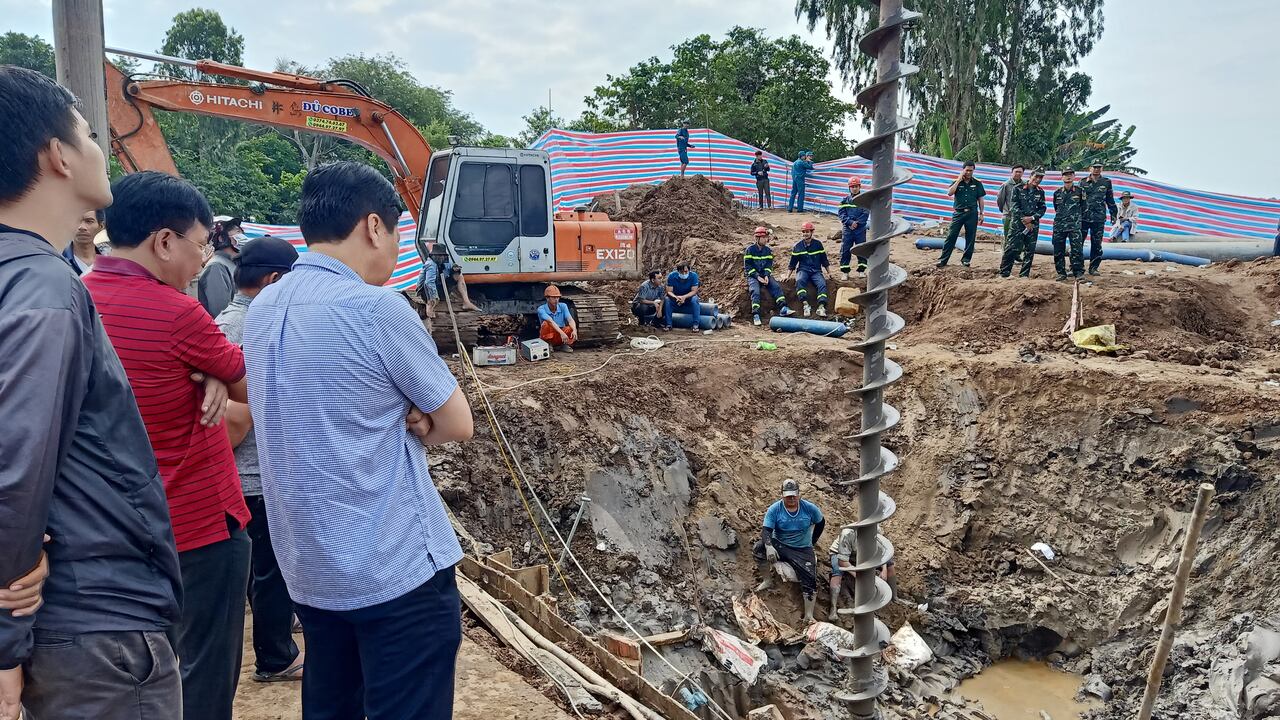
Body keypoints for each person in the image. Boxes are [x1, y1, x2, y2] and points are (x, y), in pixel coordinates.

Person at [244, 161, 475, 720]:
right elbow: (456, 423)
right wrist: (419, 418)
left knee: (333, 702)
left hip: (313, 570)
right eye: (398, 233)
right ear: (375, 226)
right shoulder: (375, 308)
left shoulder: (264, 306)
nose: (398, 249)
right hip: (392, 569)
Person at [0, 64, 182, 720]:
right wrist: (4, 644)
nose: (101, 147)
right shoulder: (46, 294)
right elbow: (15, 469)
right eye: (88, 133)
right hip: (92, 634)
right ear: (57, 157)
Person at [84, 171, 252, 720]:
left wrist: (208, 373)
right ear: (164, 241)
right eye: (200, 245)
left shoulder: (76, 297)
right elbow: (252, 386)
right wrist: (216, 373)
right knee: (203, 672)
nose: (203, 260)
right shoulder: (179, 314)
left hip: (111, 535)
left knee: (140, 674)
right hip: (199, 529)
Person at [213, 236, 304, 684]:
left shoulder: (222, 322)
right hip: (259, 469)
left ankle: (281, 627)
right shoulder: (259, 327)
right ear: (273, 281)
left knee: (258, 564)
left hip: (234, 470)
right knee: (273, 566)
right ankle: (276, 656)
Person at [753, 480, 825, 623]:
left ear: (799, 495)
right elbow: (766, 531)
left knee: (809, 577)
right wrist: (769, 546)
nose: (791, 499)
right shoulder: (775, 509)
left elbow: (821, 522)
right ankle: (767, 580)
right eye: (788, 496)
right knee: (758, 548)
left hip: (802, 548)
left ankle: (809, 615)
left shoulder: (809, 508)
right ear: (782, 495)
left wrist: (813, 541)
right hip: (780, 543)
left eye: (794, 496)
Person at [827, 526, 896, 621]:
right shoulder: (847, 534)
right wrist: (858, 575)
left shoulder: (876, 531)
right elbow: (842, 561)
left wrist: (884, 570)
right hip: (841, 555)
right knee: (837, 573)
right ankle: (833, 608)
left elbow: (881, 552)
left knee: (890, 565)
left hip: (862, 555)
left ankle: (895, 597)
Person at [937, 160, 987, 268]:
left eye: (971, 170)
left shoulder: (977, 183)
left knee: (970, 237)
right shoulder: (956, 181)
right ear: (963, 170)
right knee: (951, 236)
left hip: (972, 213)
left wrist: (982, 213)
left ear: (974, 171)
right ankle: (943, 260)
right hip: (958, 213)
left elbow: (981, 199)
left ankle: (966, 260)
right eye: (967, 170)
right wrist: (959, 180)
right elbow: (950, 193)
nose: (969, 172)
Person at [999, 168, 1047, 278]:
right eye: (1036, 176)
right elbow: (1014, 206)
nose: (1038, 179)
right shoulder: (1018, 188)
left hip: (1033, 225)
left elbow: (1042, 208)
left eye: (1041, 177)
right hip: (1017, 224)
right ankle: (1004, 273)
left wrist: (1032, 218)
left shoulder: (1040, 192)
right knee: (1011, 248)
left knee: (1029, 250)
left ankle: (1024, 274)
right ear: (1031, 176)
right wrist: (1025, 220)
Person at [744, 226, 793, 326]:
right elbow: (748, 267)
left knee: (776, 287)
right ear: (758, 238)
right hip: (753, 276)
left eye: (767, 237)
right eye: (764, 237)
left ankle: (783, 308)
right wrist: (758, 277)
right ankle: (756, 314)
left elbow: (768, 265)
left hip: (764, 275)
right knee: (755, 291)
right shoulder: (750, 250)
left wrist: (766, 276)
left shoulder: (768, 251)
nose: (767, 239)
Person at [198, 215, 243, 317]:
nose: (242, 236)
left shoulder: (231, 264)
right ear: (222, 238)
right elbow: (221, 313)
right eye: (237, 232)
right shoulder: (216, 266)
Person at [784, 222, 831, 318]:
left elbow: (824, 260)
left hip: (816, 271)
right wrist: (787, 276)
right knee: (800, 280)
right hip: (803, 270)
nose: (805, 234)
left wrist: (829, 273)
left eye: (807, 231)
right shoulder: (798, 246)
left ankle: (821, 307)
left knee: (822, 284)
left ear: (812, 232)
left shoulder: (818, 245)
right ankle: (805, 305)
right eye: (804, 232)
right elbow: (792, 264)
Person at [1080, 162, 1118, 275]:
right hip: (1083, 217)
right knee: (1078, 243)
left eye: (1099, 167)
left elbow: (1110, 199)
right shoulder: (1082, 182)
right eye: (1094, 167)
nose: (1096, 169)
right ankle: (1076, 267)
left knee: (1096, 244)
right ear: (1089, 168)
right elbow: (1078, 200)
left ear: (1102, 168)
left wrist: (1113, 214)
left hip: (1099, 218)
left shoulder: (1106, 182)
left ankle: (1093, 268)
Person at [1051, 168, 1088, 281]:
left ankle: (1078, 273)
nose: (1068, 177)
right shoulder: (1057, 193)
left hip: (1074, 226)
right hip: (1059, 225)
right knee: (1058, 250)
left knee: (1077, 250)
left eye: (1070, 174)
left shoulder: (1080, 191)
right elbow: (1056, 207)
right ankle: (1061, 273)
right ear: (1062, 177)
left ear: (1074, 176)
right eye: (1065, 175)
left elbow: (1084, 207)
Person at [837, 177, 870, 279]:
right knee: (845, 250)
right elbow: (841, 214)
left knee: (861, 249)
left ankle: (861, 271)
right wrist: (850, 222)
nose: (854, 189)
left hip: (860, 229)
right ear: (849, 188)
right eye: (852, 187)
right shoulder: (845, 200)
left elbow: (866, 213)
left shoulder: (864, 200)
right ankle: (845, 272)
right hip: (848, 229)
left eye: (856, 186)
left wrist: (857, 223)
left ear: (859, 187)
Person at [61, 208, 103, 275]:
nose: (82, 227)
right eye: (77, 221)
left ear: (101, 226)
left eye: (89, 221)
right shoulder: (60, 260)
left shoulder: (107, 263)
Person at [663, 261, 702, 333]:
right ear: (678, 271)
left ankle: (695, 325)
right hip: (675, 298)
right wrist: (676, 297)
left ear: (689, 270)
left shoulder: (693, 276)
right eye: (681, 272)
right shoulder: (672, 276)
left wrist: (684, 297)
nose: (684, 274)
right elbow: (669, 291)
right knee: (667, 300)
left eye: (686, 271)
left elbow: (694, 291)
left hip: (688, 298)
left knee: (695, 299)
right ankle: (668, 324)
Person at [538, 284, 577, 351]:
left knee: (570, 328)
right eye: (553, 297)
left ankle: (564, 344)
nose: (556, 300)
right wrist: (562, 333)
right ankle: (548, 344)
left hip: (560, 334)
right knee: (546, 324)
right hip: (549, 335)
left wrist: (574, 330)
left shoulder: (563, 306)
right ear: (547, 298)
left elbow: (570, 319)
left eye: (557, 297)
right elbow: (550, 321)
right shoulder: (541, 309)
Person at [997, 165, 1025, 242]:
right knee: (1008, 238)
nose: (1018, 174)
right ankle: (1006, 254)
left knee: (1019, 238)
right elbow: (1000, 200)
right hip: (1008, 216)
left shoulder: (1024, 185)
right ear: (1012, 172)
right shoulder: (1006, 185)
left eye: (1020, 172)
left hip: (1021, 217)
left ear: (1023, 173)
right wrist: (1005, 211)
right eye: (1016, 172)